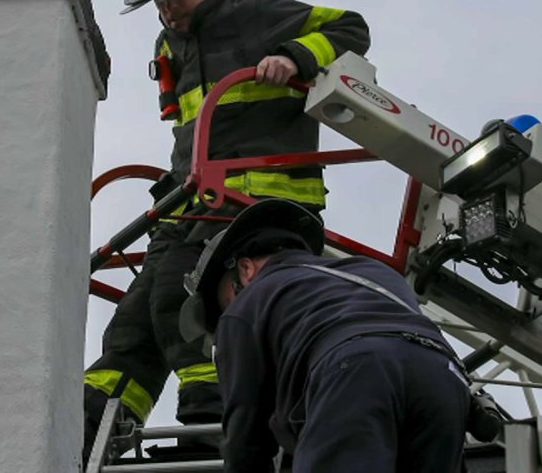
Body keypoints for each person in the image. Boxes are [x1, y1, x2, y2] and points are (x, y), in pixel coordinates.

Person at [82, 0, 371, 460]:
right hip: (192, 197)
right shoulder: (172, 42)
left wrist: (296, 57)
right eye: (157, 2)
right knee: (134, 322)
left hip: (258, 200)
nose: (167, 10)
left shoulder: (258, 12)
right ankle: (92, 424)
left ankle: (212, 423)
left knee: (177, 294)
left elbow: (350, 28)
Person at [181, 198, 471, 473]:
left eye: (227, 300)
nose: (230, 313)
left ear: (245, 269)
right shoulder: (370, 271)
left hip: (355, 372)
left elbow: (247, 433)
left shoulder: (246, 304)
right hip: (445, 377)